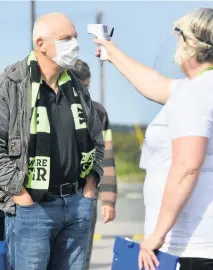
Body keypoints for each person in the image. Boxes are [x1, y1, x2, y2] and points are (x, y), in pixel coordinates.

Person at [93, 7, 213, 270]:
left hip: (192, 248)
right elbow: (154, 84)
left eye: (179, 37)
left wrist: (156, 236)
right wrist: (112, 52)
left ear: (192, 44)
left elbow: (186, 168)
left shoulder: (196, 93)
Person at [0, 12, 104, 270]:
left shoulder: (76, 87)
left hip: (76, 204)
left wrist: (88, 190)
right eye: (66, 38)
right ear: (40, 44)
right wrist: (22, 198)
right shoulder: (9, 86)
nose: (74, 44)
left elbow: (96, 141)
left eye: (75, 37)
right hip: (32, 208)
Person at [73, 59, 117, 264]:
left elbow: (106, 157)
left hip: (85, 195)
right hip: (50, 197)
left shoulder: (98, 112)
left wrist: (108, 199)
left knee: (80, 258)